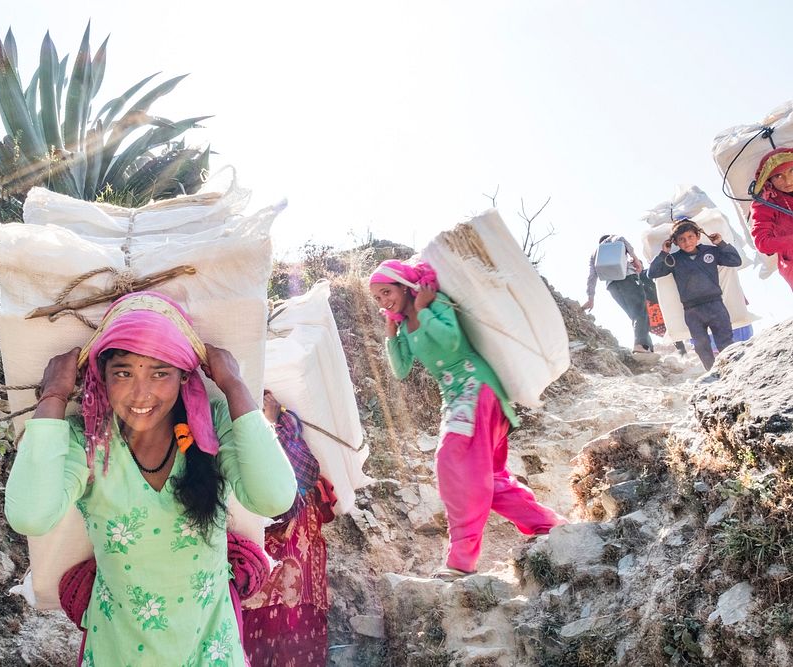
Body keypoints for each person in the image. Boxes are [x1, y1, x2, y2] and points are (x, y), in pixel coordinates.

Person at [5, 291, 296, 667]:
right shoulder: (88, 441)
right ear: (102, 378)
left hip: (209, 648)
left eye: (160, 372)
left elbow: (273, 497)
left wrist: (235, 384)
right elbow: (29, 515)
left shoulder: (212, 423)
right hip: (119, 650)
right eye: (123, 373)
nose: (141, 393)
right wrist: (55, 394)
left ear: (183, 377)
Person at [369, 260, 563, 580]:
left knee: (451, 461)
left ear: (405, 286)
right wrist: (391, 333)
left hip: (477, 388)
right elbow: (400, 369)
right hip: (456, 399)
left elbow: (453, 342)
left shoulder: (438, 303)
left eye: (386, 292)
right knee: (489, 477)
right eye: (377, 298)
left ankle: (461, 559)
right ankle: (549, 525)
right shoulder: (404, 326)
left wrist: (426, 310)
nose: (383, 301)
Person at [242, 391, 336, 667]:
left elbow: (307, 471)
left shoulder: (286, 427)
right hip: (257, 554)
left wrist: (273, 423)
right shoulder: (232, 432)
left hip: (292, 554)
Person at [647, 220, 742, 371]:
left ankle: (733, 372)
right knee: (701, 346)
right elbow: (652, 273)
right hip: (692, 311)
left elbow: (735, 261)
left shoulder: (711, 251)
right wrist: (664, 252)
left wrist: (721, 243)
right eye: (682, 239)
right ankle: (713, 374)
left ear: (698, 236)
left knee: (725, 342)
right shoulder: (674, 260)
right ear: (676, 243)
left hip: (715, 305)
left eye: (690, 237)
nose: (687, 242)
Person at [583, 234, 653, 352]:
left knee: (635, 316)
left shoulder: (595, 254)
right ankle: (640, 345)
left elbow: (591, 277)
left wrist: (591, 298)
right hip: (628, 279)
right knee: (640, 313)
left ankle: (648, 347)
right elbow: (621, 239)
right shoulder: (612, 239)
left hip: (612, 286)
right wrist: (635, 259)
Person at [750, 146, 793, 291]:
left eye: (791, 171)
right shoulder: (765, 204)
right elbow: (762, 243)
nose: (787, 180)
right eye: (778, 176)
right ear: (769, 179)